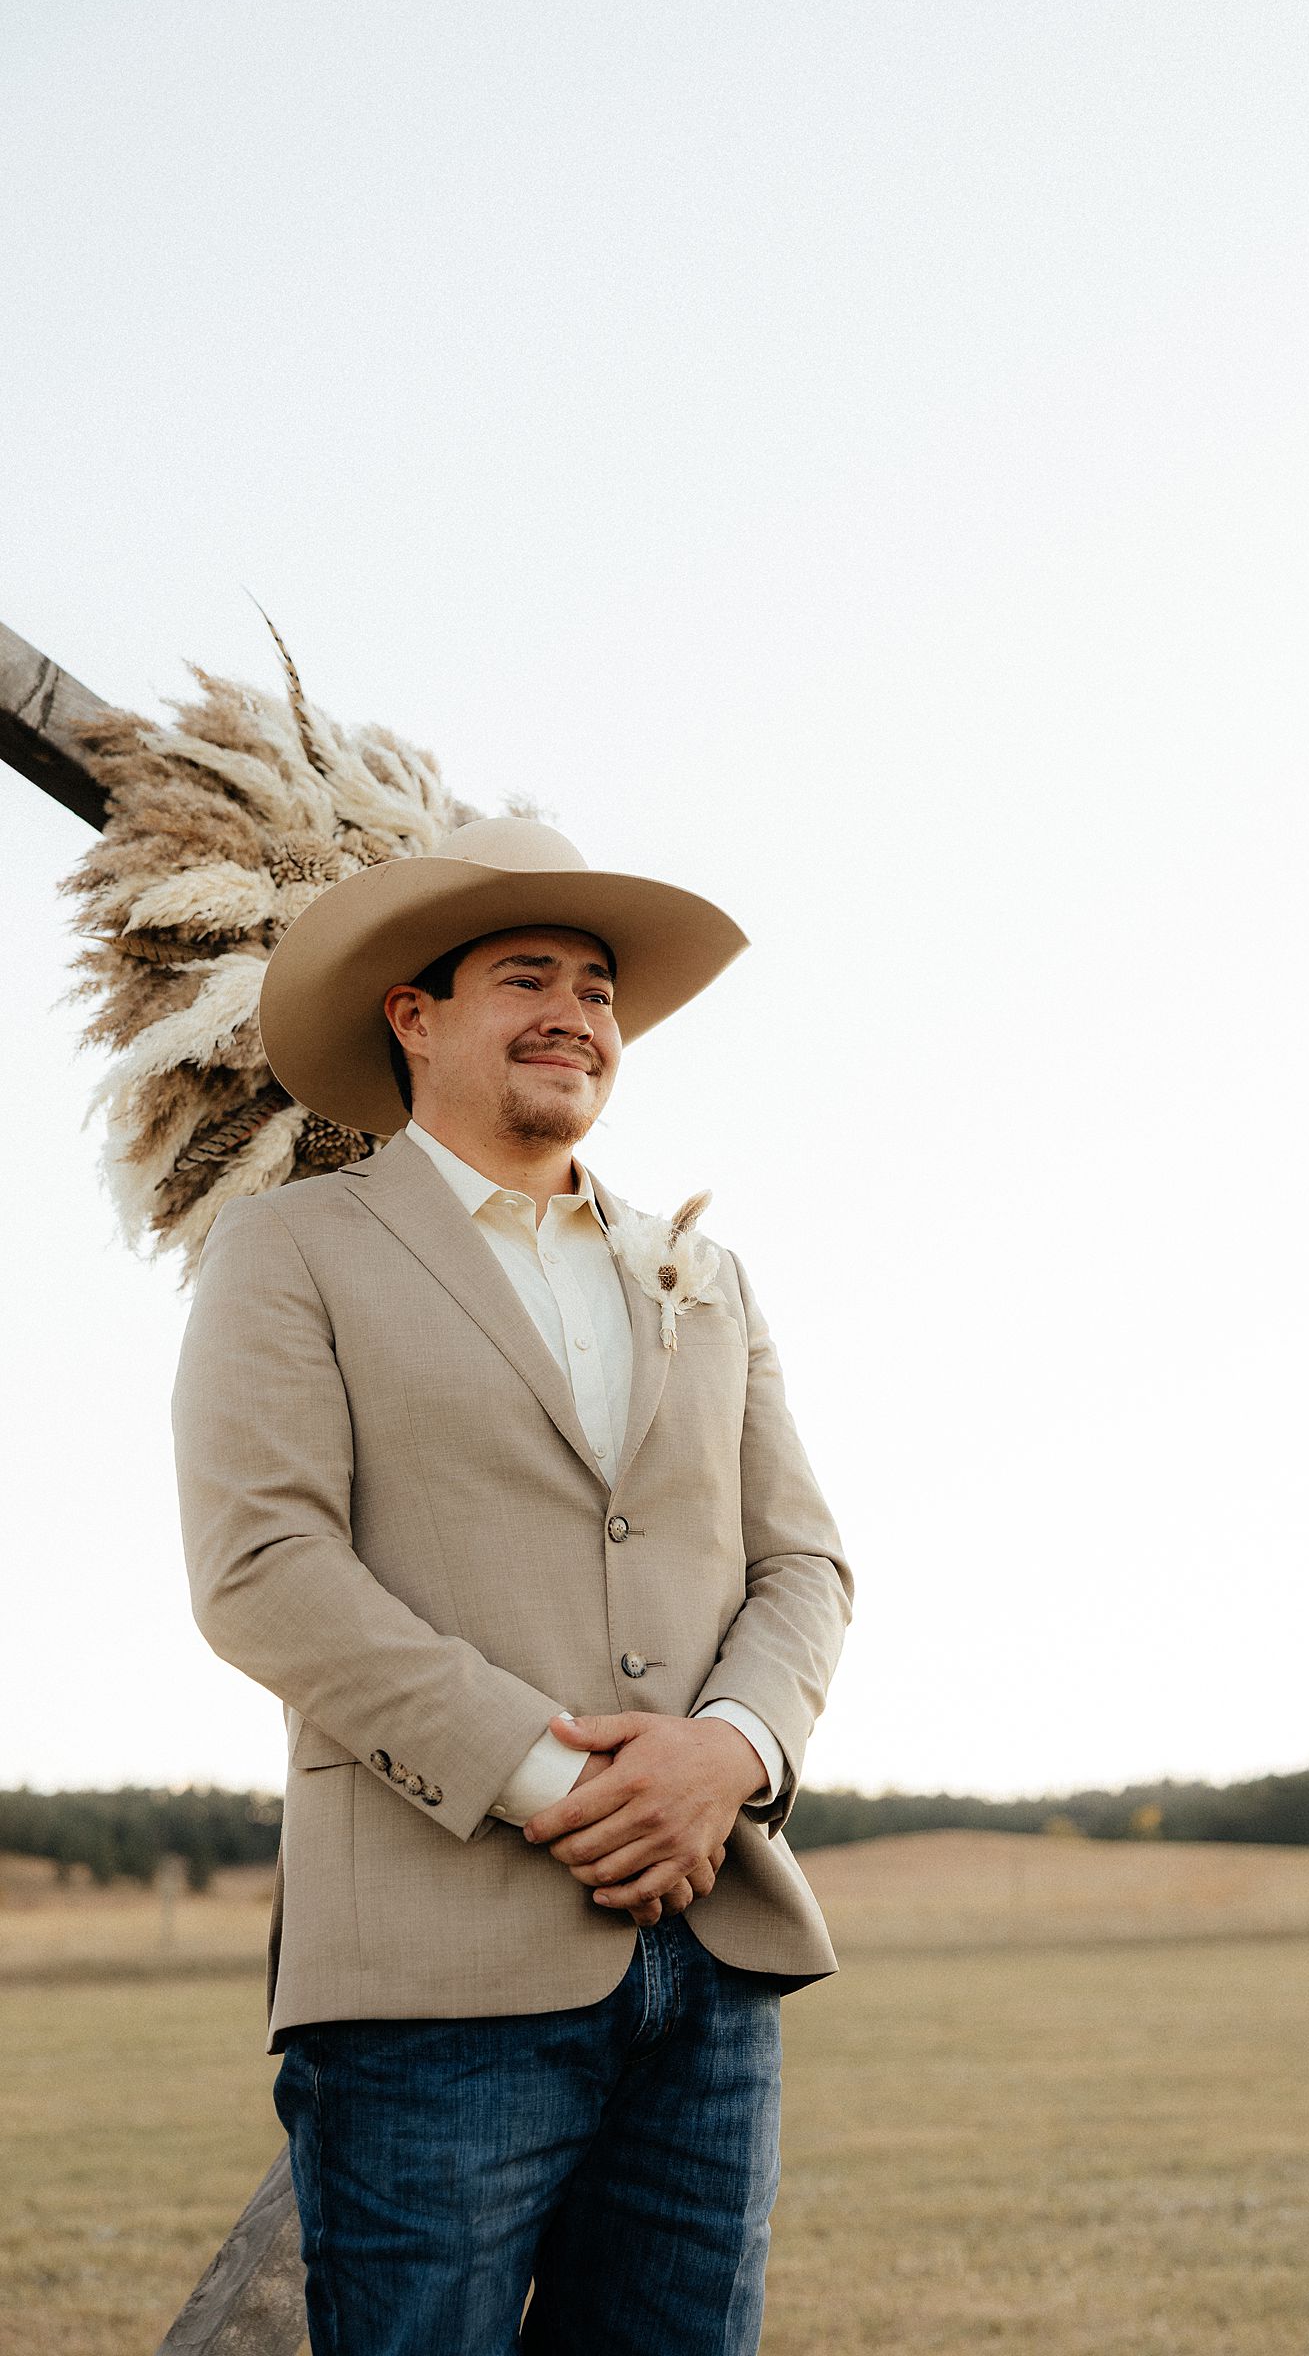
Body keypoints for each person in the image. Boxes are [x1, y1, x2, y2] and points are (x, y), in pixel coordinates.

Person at [169, 813, 854, 2356]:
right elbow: (262, 1570)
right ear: (411, 1015)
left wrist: (727, 1755)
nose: (577, 1013)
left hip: (712, 1959)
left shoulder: (706, 1275)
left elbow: (801, 1560)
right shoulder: (289, 1252)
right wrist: (559, 1782)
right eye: (524, 975)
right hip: (430, 1976)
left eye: (601, 988)